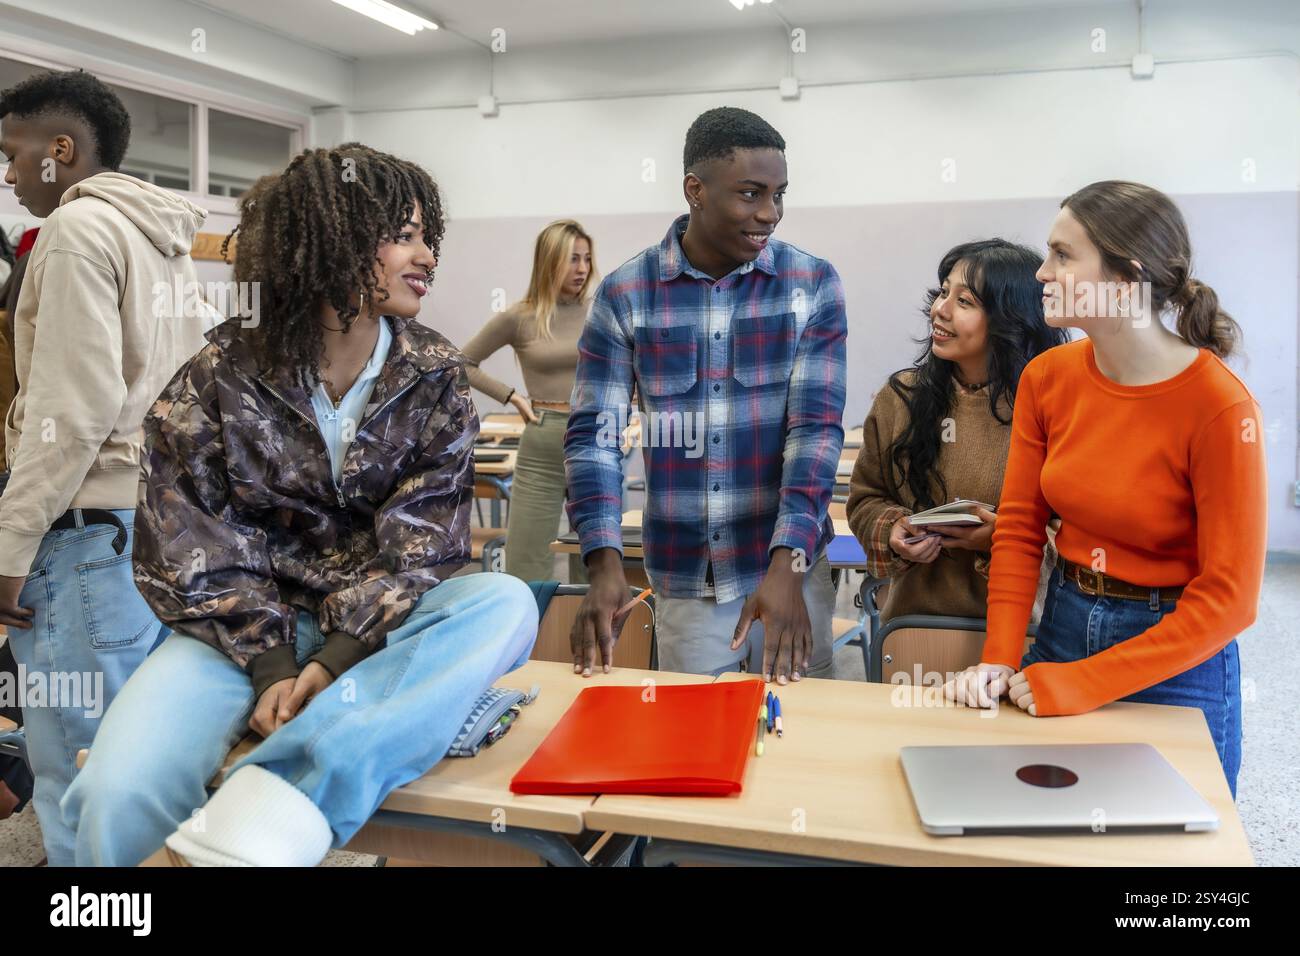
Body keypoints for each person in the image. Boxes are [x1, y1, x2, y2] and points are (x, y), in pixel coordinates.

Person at [63, 144, 538, 866]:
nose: (428, 255)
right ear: (336, 243)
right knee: (115, 791)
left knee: (504, 603)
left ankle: (276, 810)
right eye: (404, 236)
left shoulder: (437, 375)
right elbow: (194, 541)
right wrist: (274, 666)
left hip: (382, 635)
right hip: (240, 639)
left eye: (426, 236)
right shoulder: (220, 372)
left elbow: (425, 545)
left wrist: (337, 658)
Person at [946, 181, 1266, 797]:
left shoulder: (1221, 407)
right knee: (1046, 826)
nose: (1042, 272)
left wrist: (1082, 683)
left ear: (1125, 278)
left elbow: (1230, 599)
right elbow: (1017, 529)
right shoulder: (1049, 378)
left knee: (1173, 852)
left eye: (1063, 256)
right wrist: (1000, 658)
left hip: (1178, 651)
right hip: (1067, 620)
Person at [0, 68, 213, 864]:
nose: (10, 174)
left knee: (73, 763)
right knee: (137, 759)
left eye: (13, 154)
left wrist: (10, 546)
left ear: (61, 149)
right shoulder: (160, 235)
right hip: (148, 527)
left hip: (83, 533)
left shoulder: (77, 231)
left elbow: (72, 409)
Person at [565, 106, 847, 682]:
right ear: (695, 189)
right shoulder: (626, 294)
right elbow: (595, 438)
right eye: (750, 194)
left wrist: (787, 568)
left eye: (779, 195)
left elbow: (814, 433)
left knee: (801, 744)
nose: (769, 214)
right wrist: (603, 560)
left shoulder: (812, 284)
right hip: (687, 576)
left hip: (789, 571)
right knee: (691, 749)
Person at [847, 239, 1065, 622]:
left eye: (964, 302)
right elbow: (866, 499)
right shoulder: (902, 398)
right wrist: (894, 530)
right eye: (943, 292)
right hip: (915, 620)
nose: (940, 310)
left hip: (1026, 628)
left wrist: (1004, 540)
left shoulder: (1054, 407)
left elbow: (1081, 535)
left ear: (1009, 319)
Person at [460, 220, 596, 582]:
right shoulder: (520, 316)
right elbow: (460, 364)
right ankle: (534, 635)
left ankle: (595, 637)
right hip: (543, 439)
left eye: (586, 258)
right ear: (549, 262)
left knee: (595, 558)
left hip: (594, 435)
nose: (582, 268)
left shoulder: (601, 312)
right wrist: (511, 397)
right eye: (571, 259)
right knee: (526, 560)